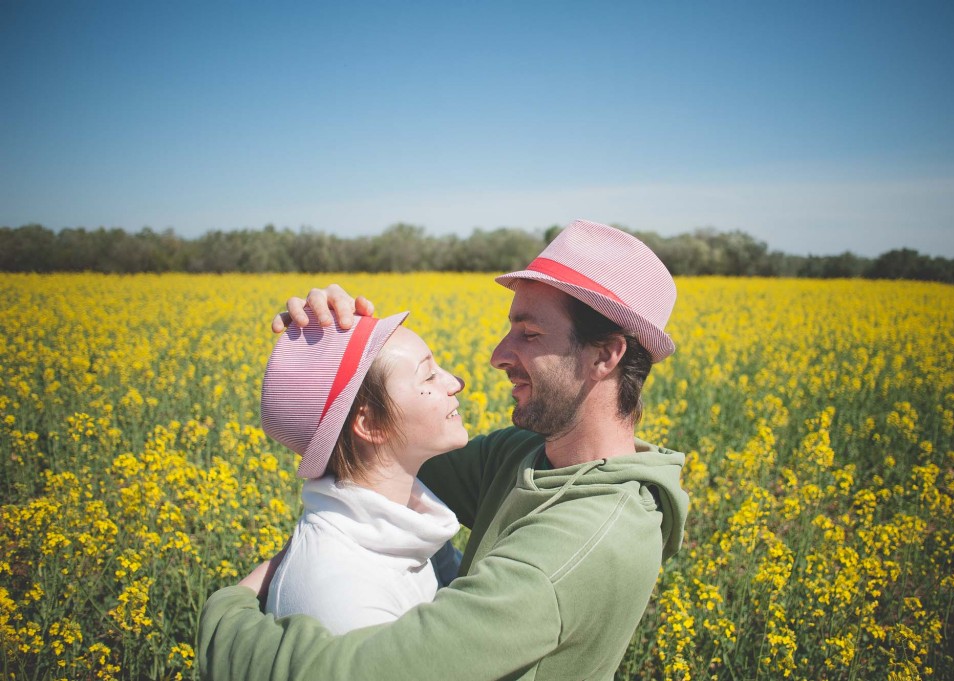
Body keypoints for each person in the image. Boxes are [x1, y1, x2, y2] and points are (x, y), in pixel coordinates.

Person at [199, 219, 691, 681]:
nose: (498, 355)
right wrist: (327, 358)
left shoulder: (577, 549)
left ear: (606, 354)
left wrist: (230, 612)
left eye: (531, 333)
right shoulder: (523, 456)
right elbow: (378, 454)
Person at [258, 310, 467, 634]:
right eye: (428, 376)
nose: (455, 383)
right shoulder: (345, 599)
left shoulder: (409, 526)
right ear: (370, 424)